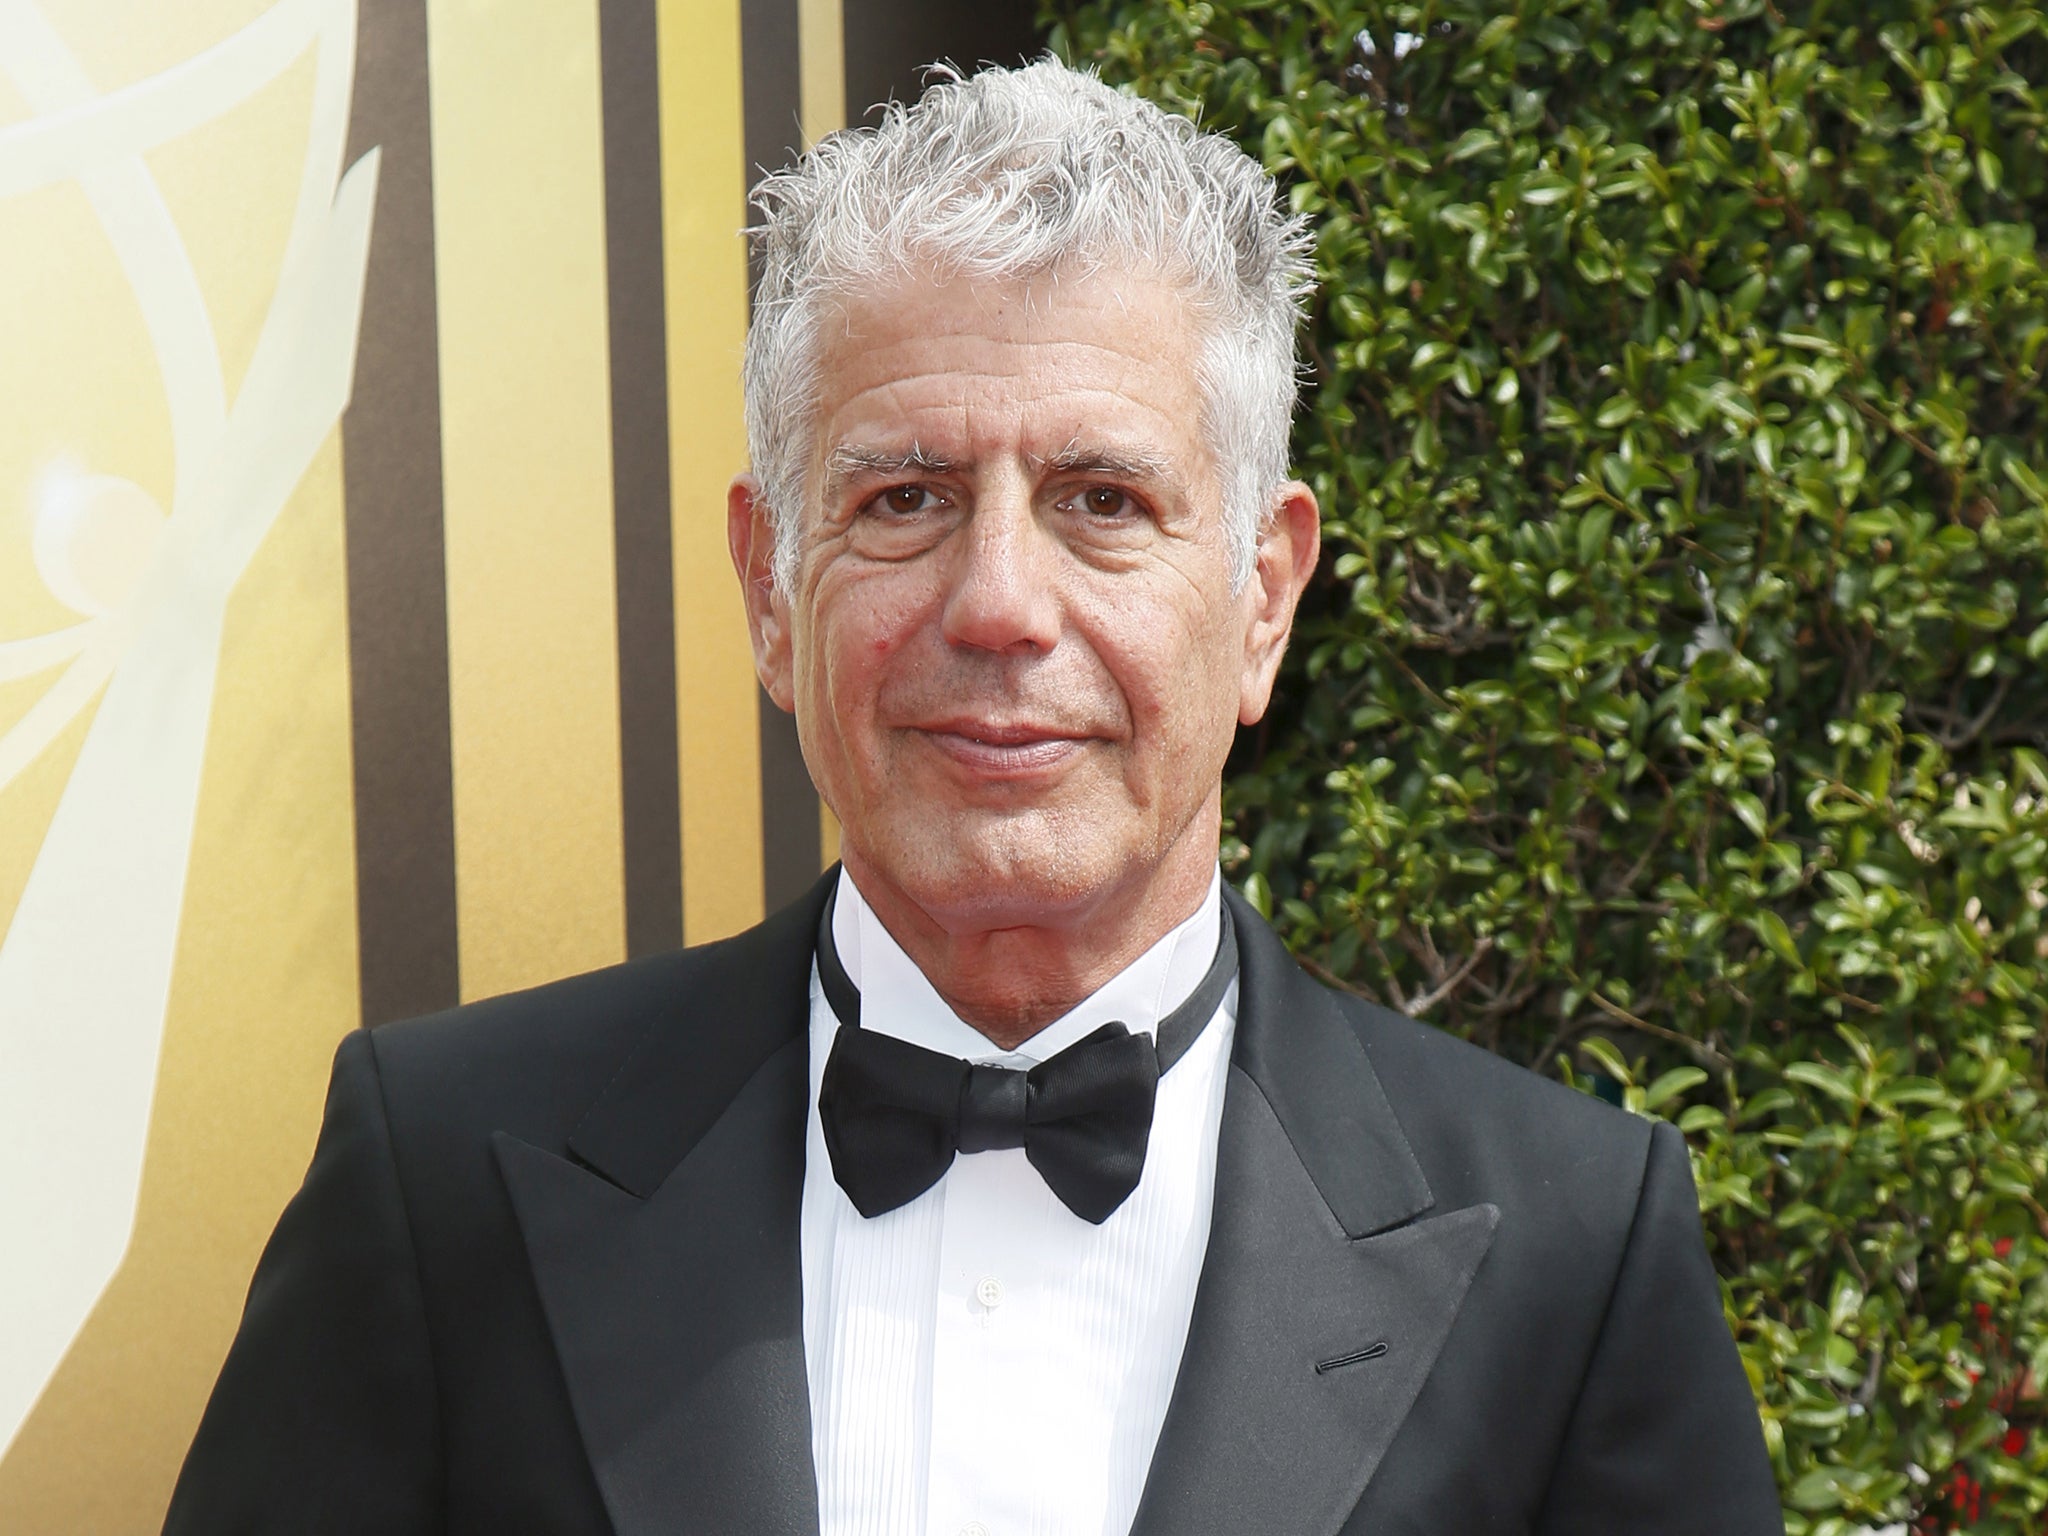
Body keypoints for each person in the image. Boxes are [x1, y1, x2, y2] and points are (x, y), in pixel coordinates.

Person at [164, 59, 1783, 1536]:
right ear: (768, 587)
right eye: (907, 498)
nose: (999, 602)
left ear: (1265, 598)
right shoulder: (442, 1178)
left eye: (1102, 499)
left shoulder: (1575, 1251)